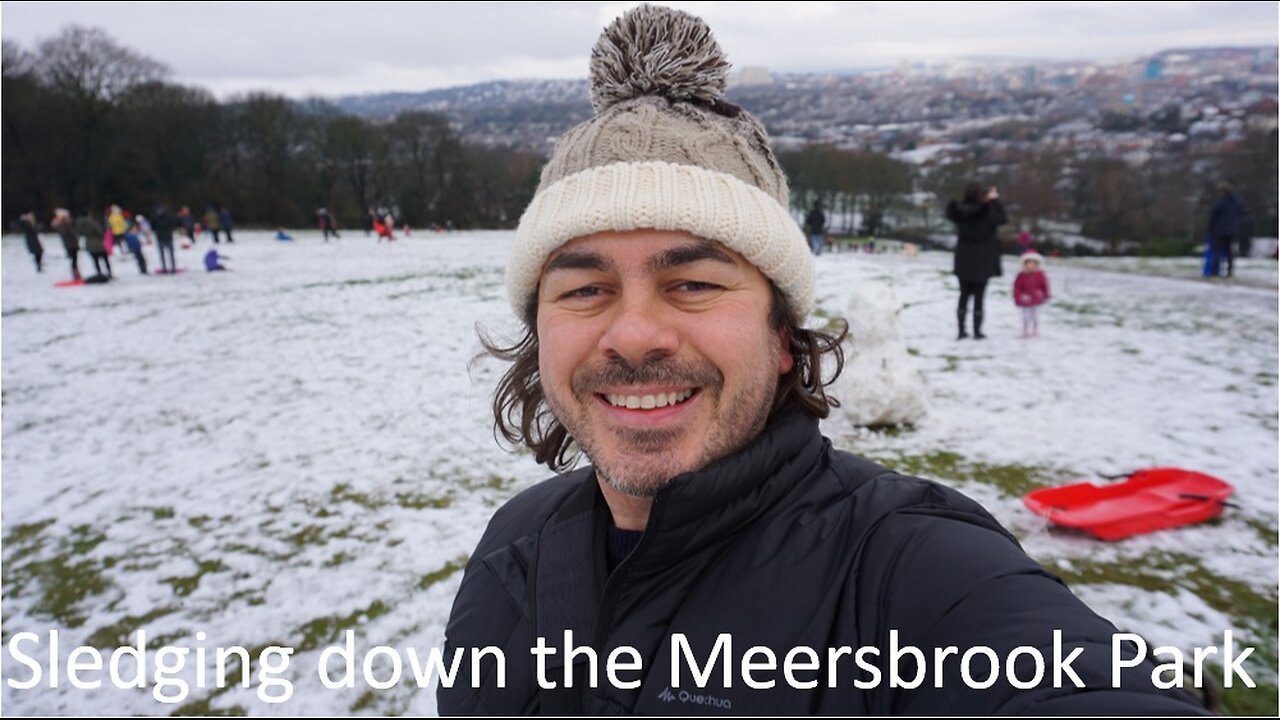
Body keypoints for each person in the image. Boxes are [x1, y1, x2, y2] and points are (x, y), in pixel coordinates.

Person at [438, 6, 1203, 716]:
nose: (634, 335)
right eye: (585, 288)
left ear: (782, 336)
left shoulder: (908, 570)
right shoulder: (516, 547)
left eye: (694, 283)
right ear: (539, 327)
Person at [946, 182, 1006, 340]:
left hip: (964, 257)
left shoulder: (960, 211)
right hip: (983, 258)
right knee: (979, 296)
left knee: (964, 294)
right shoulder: (988, 212)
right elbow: (1002, 219)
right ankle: (977, 331)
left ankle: (961, 330)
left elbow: (952, 214)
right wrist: (994, 201)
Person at [1208, 181, 1248, 278]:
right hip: (1233, 230)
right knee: (1230, 252)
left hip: (1219, 230)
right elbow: (1243, 215)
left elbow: (1214, 216)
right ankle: (1229, 271)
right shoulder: (1238, 202)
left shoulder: (1220, 202)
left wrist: (1210, 228)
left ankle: (1214, 272)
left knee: (1217, 251)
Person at [1013, 250, 1050, 338]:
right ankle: (1025, 330)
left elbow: (1044, 285)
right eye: (1029, 263)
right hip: (1025, 300)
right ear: (1025, 264)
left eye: (1034, 263)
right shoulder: (1021, 275)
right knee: (1025, 316)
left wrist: (1045, 294)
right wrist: (1018, 297)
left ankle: (1035, 330)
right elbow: (1017, 287)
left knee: (1036, 316)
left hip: (1037, 299)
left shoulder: (1040, 274)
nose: (1031, 265)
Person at [76, 212, 111, 279]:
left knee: (95, 260)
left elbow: (79, 233)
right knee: (105, 259)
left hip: (89, 244)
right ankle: (109, 273)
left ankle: (99, 273)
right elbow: (100, 232)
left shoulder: (82, 225)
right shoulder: (93, 223)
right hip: (98, 244)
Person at [51, 209, 81, 281]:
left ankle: (76, 274)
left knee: (74, 260)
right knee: (74, 260)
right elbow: (72, 234)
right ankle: (76, 275)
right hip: (71, 245)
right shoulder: (64, 226)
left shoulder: (64, 225)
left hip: (71, 245)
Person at [152, 205, 178, 273]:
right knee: (170, 255)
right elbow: (173, 225)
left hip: (162, 238)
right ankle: (172, 268)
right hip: (166, 237)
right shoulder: (168, 217)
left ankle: (166, 268)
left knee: (164, 255)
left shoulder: (156, 218)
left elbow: (153, 227)